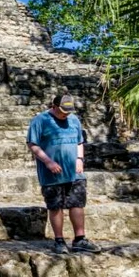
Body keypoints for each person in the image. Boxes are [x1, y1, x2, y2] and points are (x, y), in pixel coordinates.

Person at [27, 94, 100, 254]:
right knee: (55, 206)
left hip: (74, 172)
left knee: (77, 204)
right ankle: (59, 241)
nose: (65, 114)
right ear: (53, 106)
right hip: (52, 173)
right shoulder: (40, 120)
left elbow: (80, 141)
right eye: (62, 111)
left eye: (68, 111)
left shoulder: (74, 120)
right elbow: (33, 144)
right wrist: (48, 162)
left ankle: (80, 239)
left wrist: (80, 159)